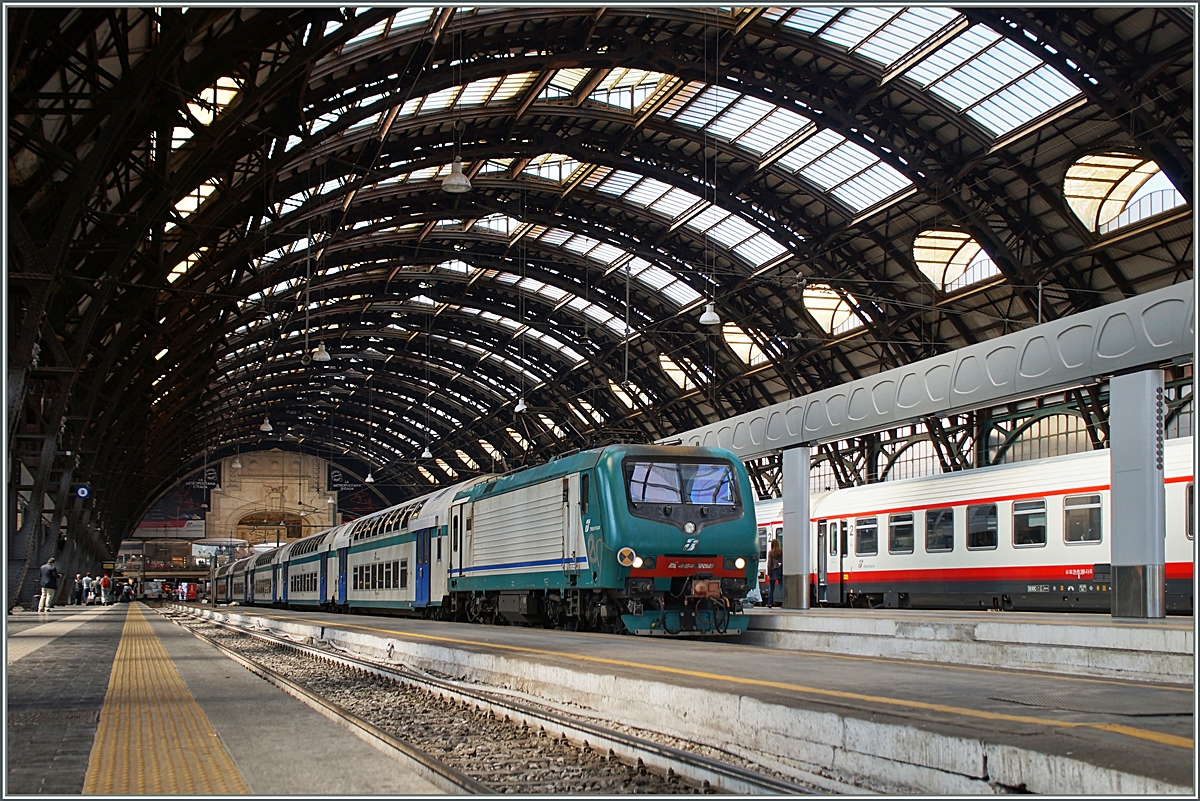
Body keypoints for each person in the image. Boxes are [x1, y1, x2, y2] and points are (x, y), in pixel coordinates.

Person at [767, 538, 783, 607]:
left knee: (772, 588)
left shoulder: (771, 552)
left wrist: (769, 573)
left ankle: (770, 603)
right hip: (780, 570)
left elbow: (769, 564)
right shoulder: (781, 552)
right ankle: (784, 602)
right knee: (781, 587)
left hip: (773, 570)